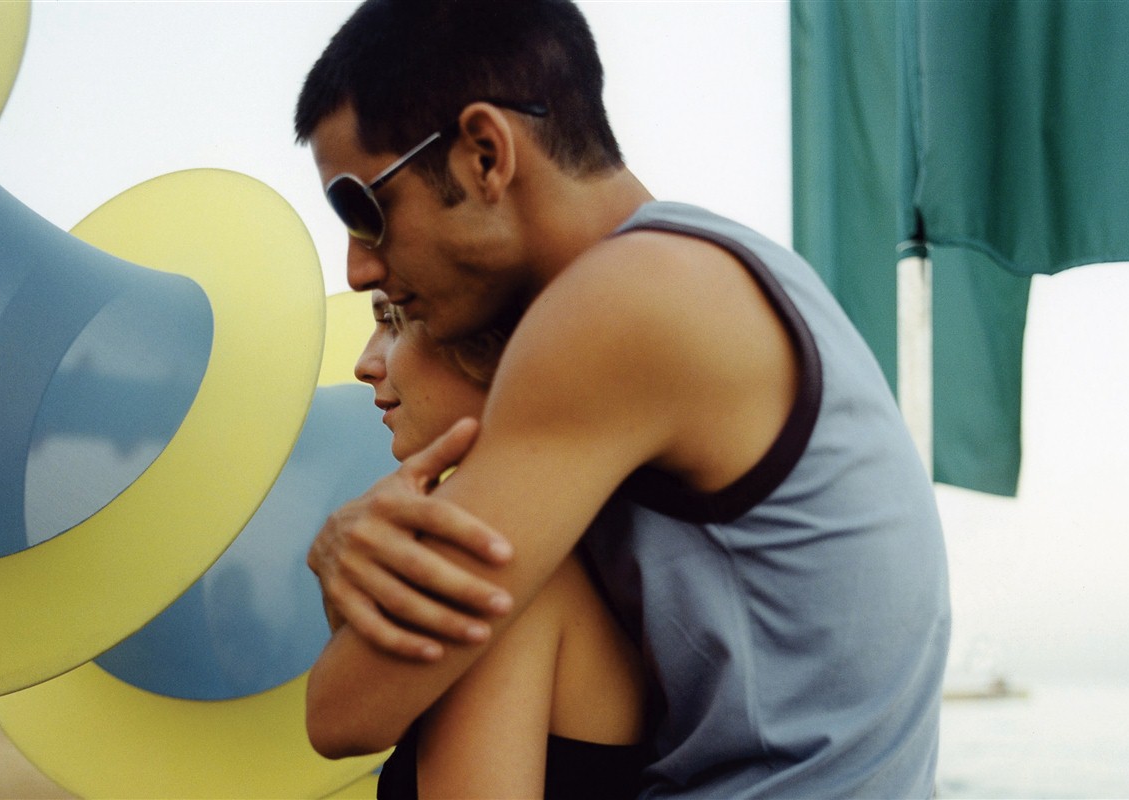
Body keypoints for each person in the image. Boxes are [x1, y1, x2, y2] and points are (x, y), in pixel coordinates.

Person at [296, 1, 951, 796]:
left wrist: (345, 552)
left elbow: (345, 713)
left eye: (363, 209)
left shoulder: (625, 303)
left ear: (484, 153)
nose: (358, 269)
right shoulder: (719, 266)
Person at [342, 294, 647, 798]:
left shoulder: (503, 561)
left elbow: (337, 724)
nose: (364, 363)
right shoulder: (591, 530)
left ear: (497, 348)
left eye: (392, 320)